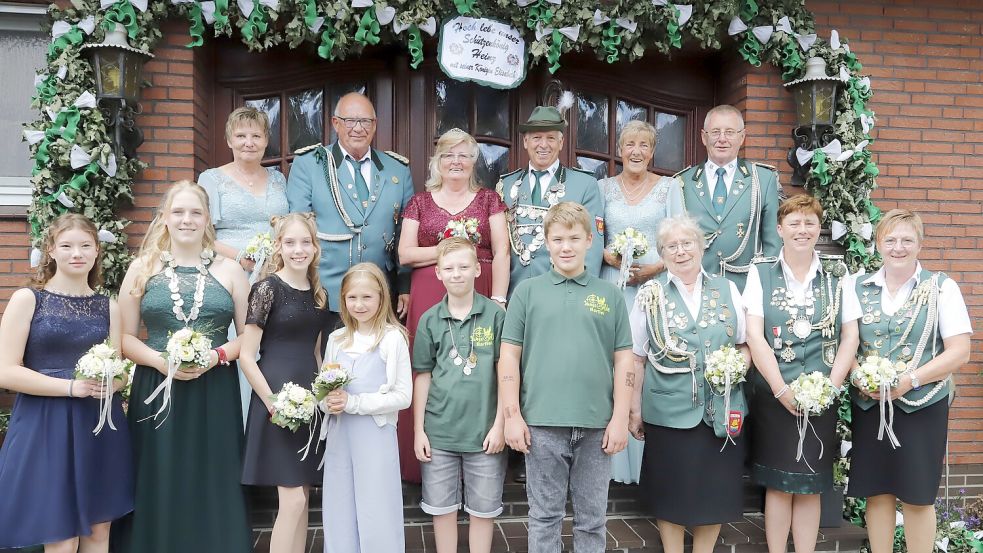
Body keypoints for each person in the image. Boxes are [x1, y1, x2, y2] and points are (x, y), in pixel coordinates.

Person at [117, 180, 252, 552]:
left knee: (213, 474)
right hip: (155, 387)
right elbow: (125, 339)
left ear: (208, 219)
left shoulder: (230, 271)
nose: (187, 220)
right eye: (178, 212)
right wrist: (161, 362)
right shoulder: (142, 268)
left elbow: (248, 338)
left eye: (195, 212)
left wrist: (217, 356)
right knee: (159, 474)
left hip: (215, 389)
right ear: (164, 218)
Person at [499, 202, 634, 553]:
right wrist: (512, 417)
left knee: (592, 520)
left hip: (596, 426)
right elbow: (509, 358)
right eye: (557, 239)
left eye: (574, 238)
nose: (566, 246)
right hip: (541, 424)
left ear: (590, 240)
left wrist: (620, 418)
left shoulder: (610, 295)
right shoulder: (527, 293)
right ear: (546, 242)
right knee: (545, 518)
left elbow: (624, 361)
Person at [0, 214, 133, 552]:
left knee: (98, 532)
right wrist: (70, 387)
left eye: (86, 246)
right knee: (61, 536)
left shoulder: (109, 307)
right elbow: (6, 370)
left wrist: (114, 383)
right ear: (51, 251)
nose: (77, 253)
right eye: (67, 246)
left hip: (98, 424)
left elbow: (117, 370)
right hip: (45, 423)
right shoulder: (28, 300)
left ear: (97, 251)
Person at [842, 209, 972, 553]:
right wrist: (857, 375)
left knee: (917, 496)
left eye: (906, 240)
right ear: (879, 243)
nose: (898, 247)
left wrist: (910, 380)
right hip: (871, 405)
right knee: (877, 492)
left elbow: (960, 351)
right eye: (890, 240)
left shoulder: (942, 287)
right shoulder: (855, 286)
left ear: (919, 244)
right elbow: (847, 343)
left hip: (922, 406)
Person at [743, 195, 860, 553]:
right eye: (794, 223)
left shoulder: (839, 275)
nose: (802, 229)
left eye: (810, 222)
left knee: (811, 483)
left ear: (819, 229)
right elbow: (754, 335)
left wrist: (829, 389)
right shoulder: (759, 271)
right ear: (780, 229)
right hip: (773, 397)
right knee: (779, 484)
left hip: (821, 398)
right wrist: (781, 390)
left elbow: (850, 336)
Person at [627, 214, 749, 553]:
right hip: (668, 410)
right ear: (662, 255)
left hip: (720, 409)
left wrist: (735, 367)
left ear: (701, 245)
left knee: (715, 491)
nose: (681, 252)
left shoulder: (728, 289)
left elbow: (744, 344)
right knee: (671, 492)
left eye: (687, 243)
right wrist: (633, 409)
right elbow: (636, 357)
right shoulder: (650, 295)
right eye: (671, 246)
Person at [398, 128, 509, 483]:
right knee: (430, 366)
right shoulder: (419, 201)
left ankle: (485, 451)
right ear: (438, 162)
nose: (456, 162)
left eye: (464, 155)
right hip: (430, 289)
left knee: (482, 365)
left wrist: (500, 299)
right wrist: (451, 245)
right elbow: (405, 253)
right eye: (448, 155)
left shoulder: (490, 200)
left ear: (474, 161)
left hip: (482, 286)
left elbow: (502, 250)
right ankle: (423, 456)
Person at [240, 213, 334, 553]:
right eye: (290, 242)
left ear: (315, 247)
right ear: (278, 247)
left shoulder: (318, 292)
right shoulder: (266, 290)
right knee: (292, 499)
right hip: (277, 399)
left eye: (305, 242)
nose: (299, 249)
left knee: (304, 496)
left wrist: (325, 390)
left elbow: (315, 350)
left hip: (309, 398)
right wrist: (271, 401)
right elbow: (247, 355)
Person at [598, 119, 684, 484]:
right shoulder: (602, 188)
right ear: (620, 149)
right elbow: (594, 236)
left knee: (647, 362)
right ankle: (610, 457)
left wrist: (653, 268)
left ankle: (645, 456)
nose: (636, 151)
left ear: (652, 151)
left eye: (644, 145)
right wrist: (610, 257)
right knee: (610, 363)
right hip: (613, 286)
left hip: (654, 286)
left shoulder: (670, 188)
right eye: (629, 144)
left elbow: (681, 239)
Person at [412, 237, 507, 553]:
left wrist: (501, 426)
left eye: (464, 267)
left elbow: (504, 375)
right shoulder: (429, 320)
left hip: (484, 435)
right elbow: (423, 376)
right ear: (437, 273)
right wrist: (418, 432)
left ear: (478, 269)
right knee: (442, 509)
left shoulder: (495, 316)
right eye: (449, 268)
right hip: (440, 434)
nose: (457, 274)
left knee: (483, 510)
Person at [287, 92, 414, 320]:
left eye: (365, 121)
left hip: (379, 294)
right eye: (350, 121)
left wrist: (405, 285)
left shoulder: (398, 170)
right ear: (336, 123)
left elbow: (404, 232)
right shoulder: (310, 164)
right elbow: (298, 227)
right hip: (323, 292)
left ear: (374, 126)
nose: (358, 128)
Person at [198, 105, 289, 423]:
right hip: (231, 273)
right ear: (229, 140)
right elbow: (203, 234)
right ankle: (234, 421)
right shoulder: (211, 179)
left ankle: (270, 418)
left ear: (266, 141)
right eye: (241, 135)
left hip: (274, 275)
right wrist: (239, 257)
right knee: (239, 346)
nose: (248, 142)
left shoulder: (278, 180)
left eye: (256, 135)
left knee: (271, 346)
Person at [321, 263, 412, 553]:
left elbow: (402, 396)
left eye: (366, 297)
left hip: (375, 436)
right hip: (340, 436)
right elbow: (323, 387)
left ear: (381, 298)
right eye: (352, 298)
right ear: (343, 300)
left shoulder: (392, 338)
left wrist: (355, 403)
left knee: (377, 508)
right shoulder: (336, 339)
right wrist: (328, 402)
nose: (359, 305)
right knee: (341, 506)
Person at [497, 105, 605, 296]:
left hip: (564, 296)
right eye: (537, 137)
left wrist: (580, 296)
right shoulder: (505, 185)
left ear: (561, 142)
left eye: (551, 138)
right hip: (513, 296)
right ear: (525, 141)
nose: (543, 145)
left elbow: (592, 249)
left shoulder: (585, 184)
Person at [674, 104, 781, 291]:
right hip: (694, 287)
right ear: (703, 137)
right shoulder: (682, 182)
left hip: (746, 289)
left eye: (730, 132)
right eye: (715, 132)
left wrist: (767, 289)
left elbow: (773, 243)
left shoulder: (763, 179)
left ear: (742, 137)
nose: (722, 139)